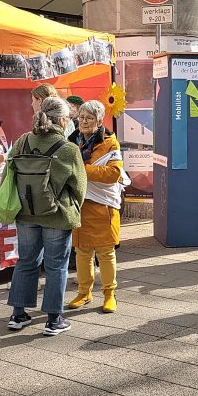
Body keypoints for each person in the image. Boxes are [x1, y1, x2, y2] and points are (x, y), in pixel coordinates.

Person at [5, 97, 86, 336]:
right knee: (56, 266)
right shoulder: (68, 149)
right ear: (62, 120)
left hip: (26, 213)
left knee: (26, 261)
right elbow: (80, 187)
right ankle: (53, 319)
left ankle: (18, 315)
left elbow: (8, 173)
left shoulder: (21, 142)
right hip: (56, 215)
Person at [67, 100, 126, 312]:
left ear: (99, 120)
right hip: (80, 206)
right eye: (81, 117)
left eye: (88, 118)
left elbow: (113, 174)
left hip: (103, 207)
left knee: (105, 253)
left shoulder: (110, 143)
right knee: (82, 252)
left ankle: (109, 294)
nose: (83, 121)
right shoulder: (72, 141)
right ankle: (84, 293)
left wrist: (83, 169)